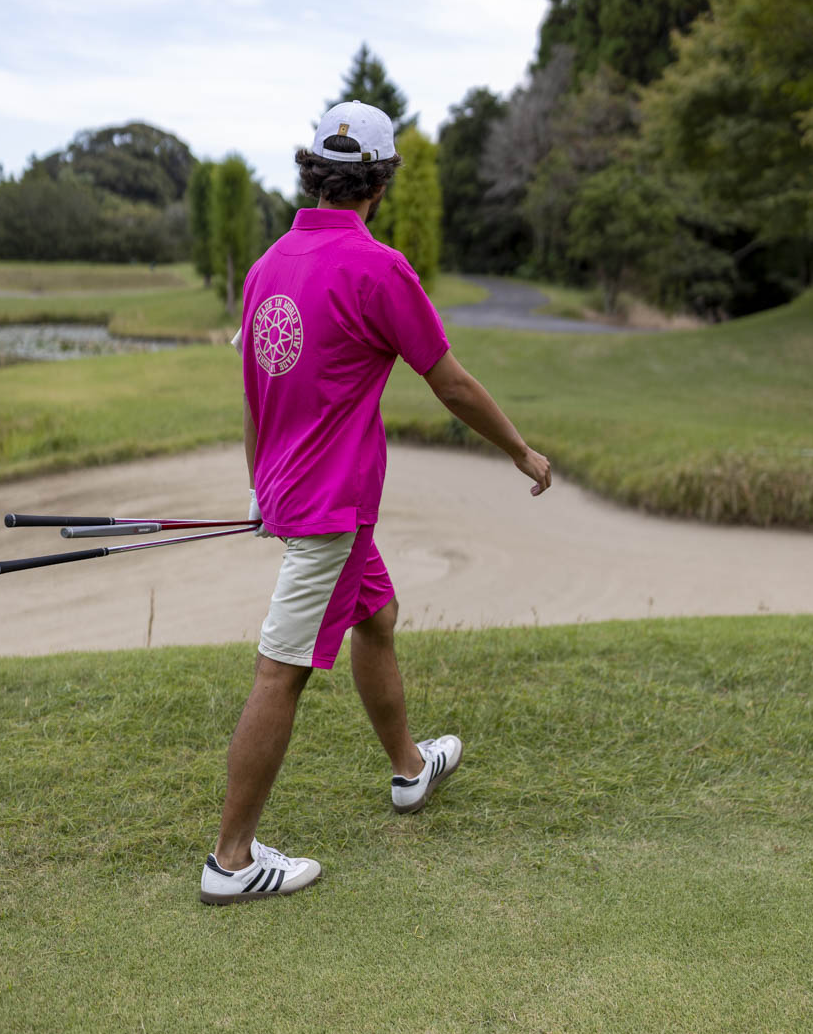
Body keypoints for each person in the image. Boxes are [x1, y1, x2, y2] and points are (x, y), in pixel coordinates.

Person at [200, 100, 551, 904]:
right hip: (330, 510)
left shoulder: (265, 267)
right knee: (279, 672)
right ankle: (231, 860)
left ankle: (408, 769)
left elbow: (255, 394)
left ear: (311, 172)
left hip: (304, 497)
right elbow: (451, 383)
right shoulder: (380, 268)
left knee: (377, 617)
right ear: (380, 184)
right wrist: (522, 451)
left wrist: (261, 487)